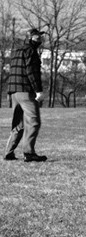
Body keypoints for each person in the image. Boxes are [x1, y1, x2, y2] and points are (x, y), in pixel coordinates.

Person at [4, 28, 47, 162]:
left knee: (19, 124)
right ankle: (29, 153)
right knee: (34, 122)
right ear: (29, 38)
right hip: (25, 92)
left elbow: (13, 72)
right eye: (36, 37)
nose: (39, 39)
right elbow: (32, 72)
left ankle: (8, 152)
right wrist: (38, 91)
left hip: (14, 92)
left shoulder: (16, 52)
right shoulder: (31, 51)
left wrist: (9, 92)